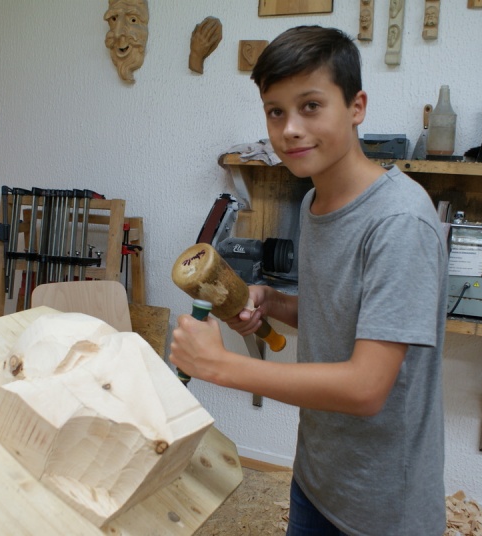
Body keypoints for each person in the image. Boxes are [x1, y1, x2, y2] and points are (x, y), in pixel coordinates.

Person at [170, 25, 447, 535]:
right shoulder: (314, 202)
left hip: (381, 507)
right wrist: (273, 302)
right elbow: (338, 315)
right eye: (276, 111)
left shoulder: (399, 222)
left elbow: (366, 388)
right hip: (317, 479)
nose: (291, 129)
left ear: (357, 107)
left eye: (311, 106)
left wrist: (220, 366)